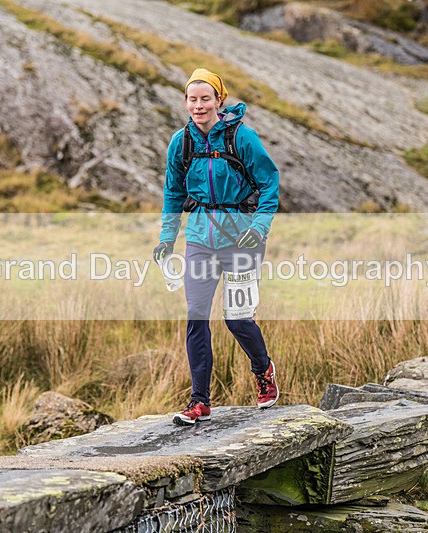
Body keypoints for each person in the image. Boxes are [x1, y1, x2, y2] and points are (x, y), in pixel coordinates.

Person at [153, 68, 280, 426]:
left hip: (242, 238)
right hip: (199, 238)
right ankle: (199, 402)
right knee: (196, 314)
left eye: (205, 99)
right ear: (185, 102)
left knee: (237, 318)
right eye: (192, 99)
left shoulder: (243, 137)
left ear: (219, 100)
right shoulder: (181, 142)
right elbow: (173, 193)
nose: (199, 105)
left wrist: (259, 227)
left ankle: (263, 370)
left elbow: (269, 184)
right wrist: (166, 238)